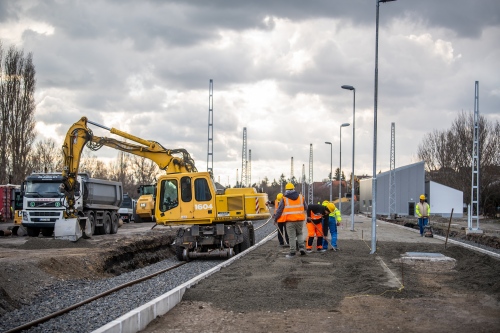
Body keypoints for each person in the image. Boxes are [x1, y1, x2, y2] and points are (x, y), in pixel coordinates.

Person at [274, 182, 307, 258]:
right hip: (300, 219)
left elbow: (279, 210)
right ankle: (301, 247)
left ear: (286, 190)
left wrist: (276, 219)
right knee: (300, 233)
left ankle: (292, 252)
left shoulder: (284, 198)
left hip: (290, 221)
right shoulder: (301, 197)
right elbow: (306, 207)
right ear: (293, 189)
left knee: (291, 236)